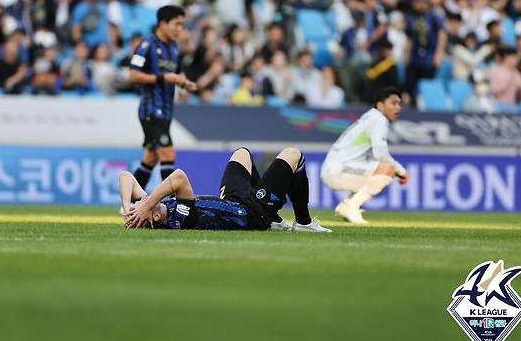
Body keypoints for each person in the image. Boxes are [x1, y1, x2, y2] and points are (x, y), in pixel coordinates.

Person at [120, 147, 331, 233]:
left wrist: (129, 208)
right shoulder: (178, 218)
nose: (139, 202)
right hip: (251, 213)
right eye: (139, 205)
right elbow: (179, 177)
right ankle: (304, 222)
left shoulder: (158, 208)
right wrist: (146, 204)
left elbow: (126, 177)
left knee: (241, 153)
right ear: (154, 216)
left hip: (234, 201)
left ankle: (276, 220)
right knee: (294, 154)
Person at [128, 5, 198, 190]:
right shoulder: (146, 45)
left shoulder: (174, 48)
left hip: (166, 112)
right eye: (176, 24)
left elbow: (176, 74)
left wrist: (184, 84)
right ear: (162, 23)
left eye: (182, 25)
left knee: (150, 159)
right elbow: (133, 75)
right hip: (151, 111)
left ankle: (131, 201)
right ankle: (173, 203)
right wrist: (163, 78)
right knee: (168, 155)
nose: (179, 29)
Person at [321, 87, 408, 224]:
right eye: (393, 103)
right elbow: (381, 154)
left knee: (376, 170)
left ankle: (349, 206)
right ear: (380, 105)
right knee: (388, 169)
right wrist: (401, 171)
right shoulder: (379, 119)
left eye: (399, 104)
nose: (398, 108)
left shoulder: (371, 117)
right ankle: (351, 206)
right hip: (337, 170)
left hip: (336, 168)